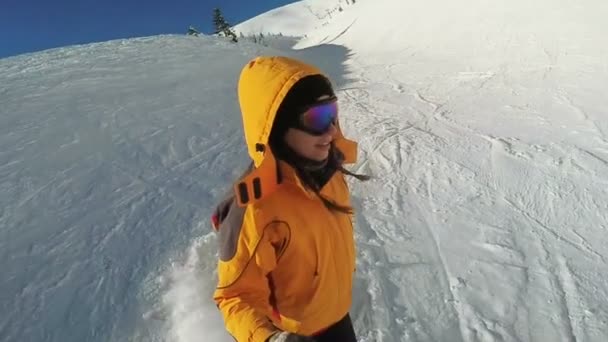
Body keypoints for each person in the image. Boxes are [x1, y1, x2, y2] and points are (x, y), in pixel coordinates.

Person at [211, 56, 369, 342]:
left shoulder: (330, 172)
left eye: (332, 112)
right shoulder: (255, 208)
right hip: (299, 334)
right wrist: (270, 338)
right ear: (277, 126)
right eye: (317, 118)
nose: (332, 130)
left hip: (337, 317)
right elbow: (235, 297)